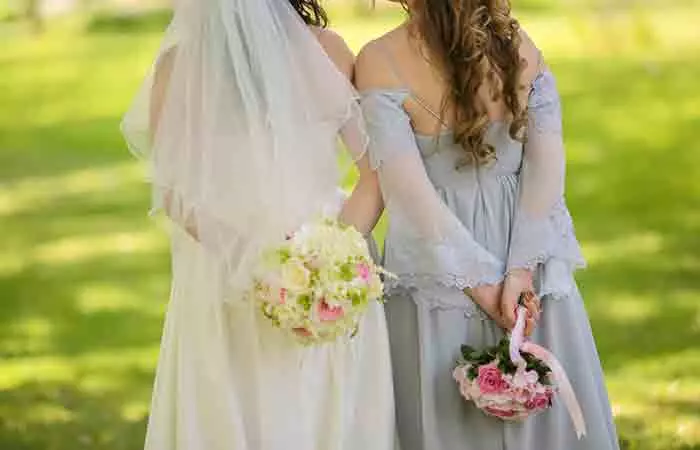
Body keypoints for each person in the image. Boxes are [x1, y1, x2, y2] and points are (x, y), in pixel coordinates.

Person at [121, 0, 394, 449]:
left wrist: (280, 265)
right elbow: (374, 175)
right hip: (303, 258)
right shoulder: (327, 49)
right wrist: (330, 264)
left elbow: (173, 193)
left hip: (229, 263)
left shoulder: (178, 66)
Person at [354, 0, 620, 449]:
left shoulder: (379, 59)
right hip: (522, 255)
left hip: (439, 268)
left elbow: (409, 193)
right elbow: (546, 173)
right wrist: (517, 272)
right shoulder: (521, 49)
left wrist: (480, 282)